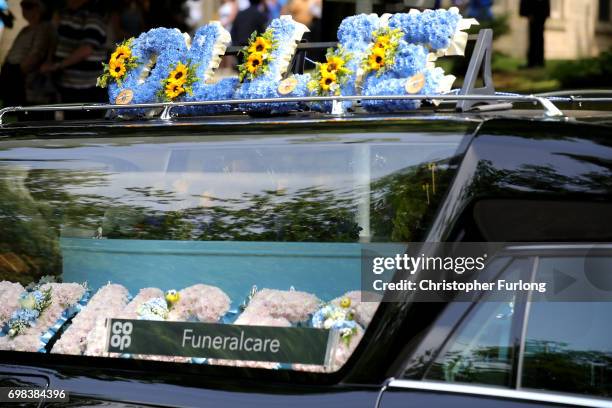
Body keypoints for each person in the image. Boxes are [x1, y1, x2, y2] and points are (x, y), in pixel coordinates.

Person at [41, 0, 107, 117]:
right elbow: (56, 40)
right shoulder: (65, 14)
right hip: (68, 85)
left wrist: (57, 66)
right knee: (71, 122)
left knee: (87, 126)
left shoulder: (93, 16)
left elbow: (86, 49)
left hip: (88, 88)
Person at [0, 0, 55, 107]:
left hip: (28, 84)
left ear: (39, 9)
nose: (23, 9)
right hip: (14, 76)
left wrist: (17, 73)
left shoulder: (44, 28)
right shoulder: (27, 28)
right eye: (23, 5)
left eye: (28, 6)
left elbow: (36, 55)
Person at [520, 0, 550, 67]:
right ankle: (537, 61)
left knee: (535, 37)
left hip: (537, 12)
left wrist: (530, 12)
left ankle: (535, 61)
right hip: (539, 11)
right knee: (536, 37)